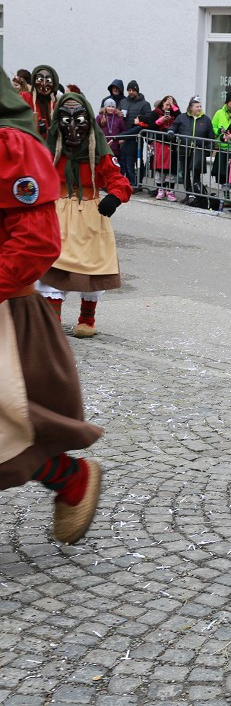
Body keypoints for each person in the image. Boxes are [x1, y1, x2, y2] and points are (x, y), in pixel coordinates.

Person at [0, 68, 105, 545]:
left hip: (5, 307)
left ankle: (70, 480)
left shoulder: (11, 144)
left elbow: (35, 242)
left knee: (13, 427)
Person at [35, 91, 133, 338]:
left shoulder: (98, 151)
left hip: (90, 213)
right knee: (52, 266)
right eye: (66, 120)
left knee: (91, 267)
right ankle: (52, 320)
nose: (73, 128)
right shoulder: (51, 151)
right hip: (57, 213)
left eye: (79, 120)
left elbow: (117, 179)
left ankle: (87, 319)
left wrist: (114, 196)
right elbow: (34, 177)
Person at [168, 96, 214, 206]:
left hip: (198, 151)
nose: (199, 108)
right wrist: (170, 131)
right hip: (184, 149)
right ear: (190, 107)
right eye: (197, 106)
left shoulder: (206, 119)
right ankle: (189, 194)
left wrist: (209, 148)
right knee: (185, 173)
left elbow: (211, 136)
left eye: (200, 106)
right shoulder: (182, 117)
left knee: (196, 173)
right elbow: (173, 127)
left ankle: (197, 194)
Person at [141, 95, 180, 201]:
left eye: (170, 105)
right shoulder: (155, 113)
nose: (168, 107)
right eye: (167, 104)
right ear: (162, 104)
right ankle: (161, 190)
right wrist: (160, 121)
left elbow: (181, 120)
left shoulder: (175, 114)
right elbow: (150, 127)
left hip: (172, 145)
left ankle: (170, 191)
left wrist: (174, 107)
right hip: (159, 143)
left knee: (171, 170)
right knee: (160, 169)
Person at [117, 80, 152, 190]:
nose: (131, 92)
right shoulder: (123, 102)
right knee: (124, 159)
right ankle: (126, 181)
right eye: (129, 90)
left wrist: (139, 120)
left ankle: (138, 182)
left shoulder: (145, 104)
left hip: (137, 135)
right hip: (124, 133)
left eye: (133, 90)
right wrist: (119, 114)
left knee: (137, 159)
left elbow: (148, 119)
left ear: (137, 90)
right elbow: (117, 114)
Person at [23, 65, 62, 137]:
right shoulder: (24, 98)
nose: (43, 84)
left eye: (48, 80)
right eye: (40, 79)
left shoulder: (55, 106)